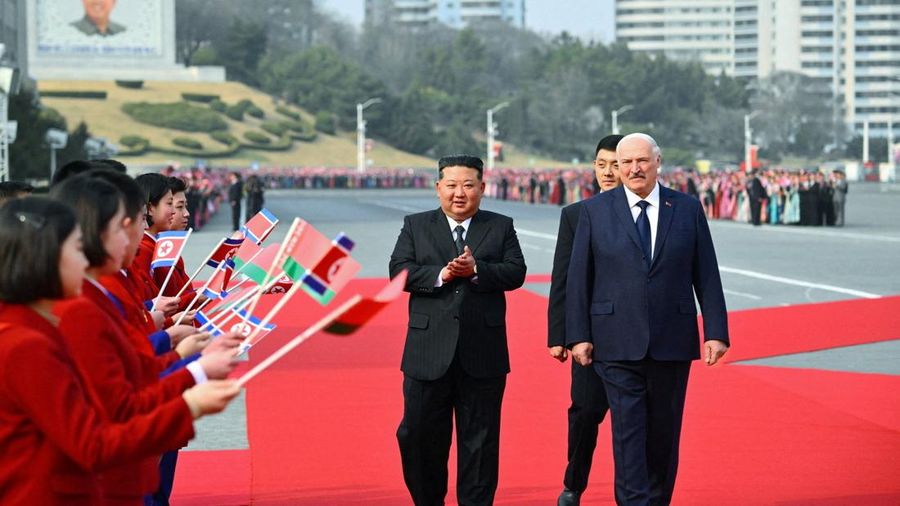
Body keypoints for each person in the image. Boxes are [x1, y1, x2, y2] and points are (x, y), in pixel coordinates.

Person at [0, 196, 239, 505]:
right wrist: (189, 403)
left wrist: (192, 370)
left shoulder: (35, 327)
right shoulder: (27, 344)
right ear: (44, 260)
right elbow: (94, 440)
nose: (85, 260)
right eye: (76, 249)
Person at [567, 133, 730, 505]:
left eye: (642, 161)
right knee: (628, 435)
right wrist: (578, 335)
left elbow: (705, 272)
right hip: (615, 342)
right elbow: (579, 279)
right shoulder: (595, 211)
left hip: (672, 339)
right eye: (626, 163)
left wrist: (716, 331)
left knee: (663, 435)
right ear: (617, 167)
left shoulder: (686, 208)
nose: (634, 168)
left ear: (658, 162)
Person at [389, 154, 527, 506]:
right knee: (417, 435)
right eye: (451, 185)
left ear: (482, 188)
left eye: (468, 185)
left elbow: (516, 271)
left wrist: (477, 269)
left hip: (483, 353)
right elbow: (399, 271)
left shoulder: (500, 226)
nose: (459, 193)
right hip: (426, 351)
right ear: (438, 188)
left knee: (479, 443)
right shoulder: (416, 225)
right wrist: (443, 274)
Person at [547, 134, 623, 506]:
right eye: (601, 164)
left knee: (634, 420)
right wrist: (560, 335)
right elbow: (563, 278)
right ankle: (573, 486)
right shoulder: (576, 216)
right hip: (590, 337)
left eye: (616, 164)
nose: (608, 172)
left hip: (635, 336)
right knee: (585, 413)